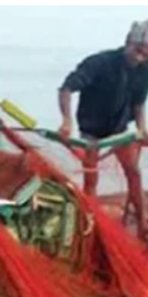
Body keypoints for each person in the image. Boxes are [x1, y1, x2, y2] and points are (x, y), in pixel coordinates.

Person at [58, 21, 148, 240]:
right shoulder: (99, 62)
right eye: (137, 51)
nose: (140, 58)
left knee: (134, 172)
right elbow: (67, 88)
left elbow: (137, 104)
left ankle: (143, 224)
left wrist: (141, 129)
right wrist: (67, 121)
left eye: (146, 54)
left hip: (119, 131)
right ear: (128, 43)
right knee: (91, 179)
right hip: (91, 132)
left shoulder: (144, 71)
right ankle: (90, 223)